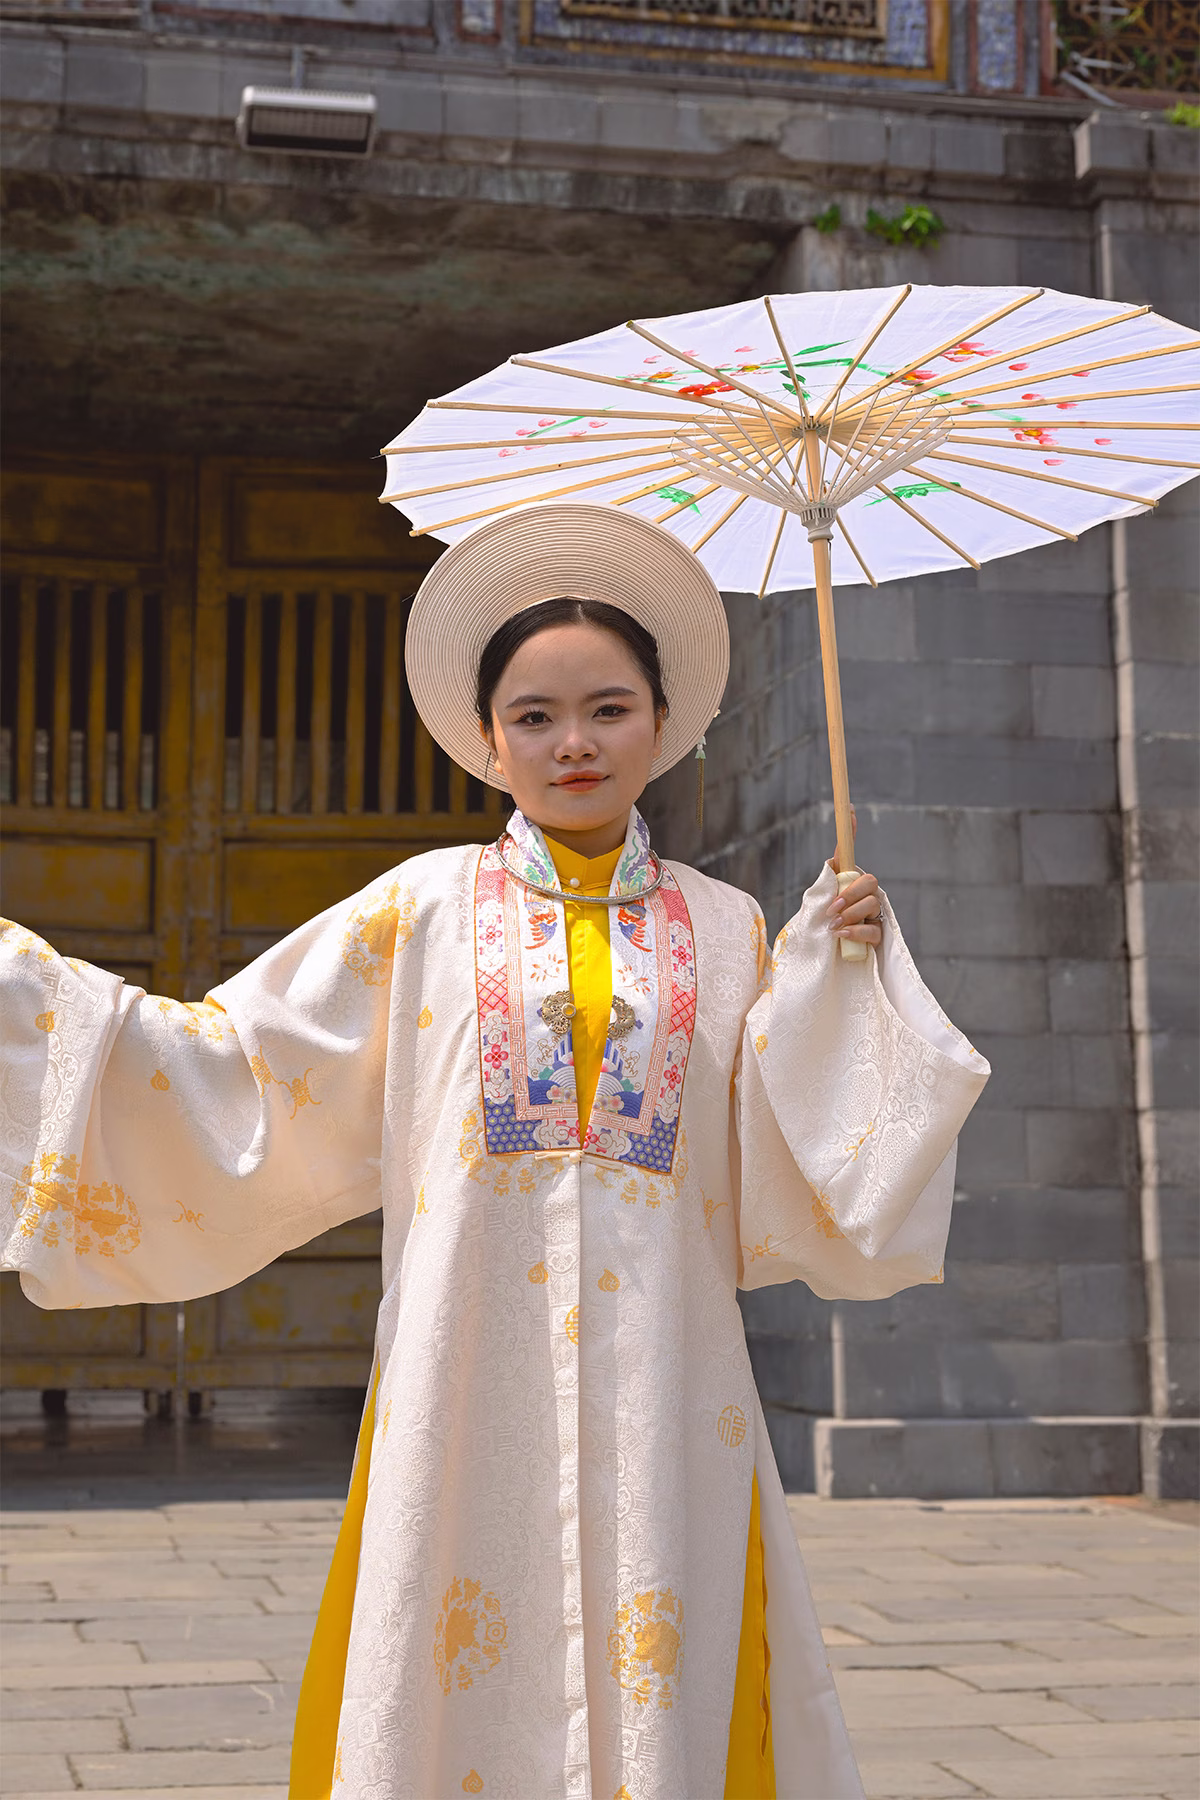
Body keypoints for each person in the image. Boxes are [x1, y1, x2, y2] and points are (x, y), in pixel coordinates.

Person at [1, 502, 989, 1800]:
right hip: (468, 1378)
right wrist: (30, 998)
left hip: (670, 1387)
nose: (572, 741)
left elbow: (784, 1159)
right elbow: (227, 1067)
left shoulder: (734, 926)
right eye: (535, 715)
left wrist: (841, 982)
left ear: (662, 721)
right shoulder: (416, 912)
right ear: (486, 739)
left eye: (607, 707)